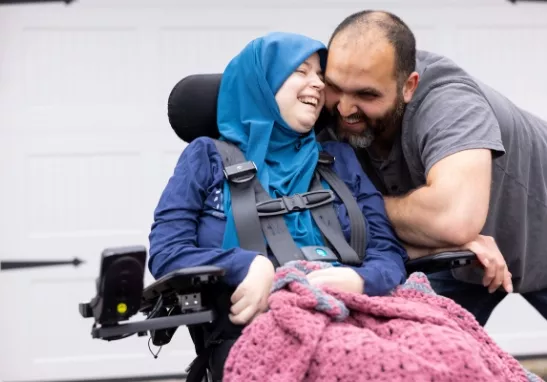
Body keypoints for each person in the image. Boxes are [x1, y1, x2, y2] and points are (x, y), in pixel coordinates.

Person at [148, 31, 408, 380]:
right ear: (261, 84)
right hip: (257, 330)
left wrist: (361, 280)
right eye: (301, 71)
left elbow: (388, 251)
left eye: (320, 75)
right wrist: (245, 265)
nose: (317, 84)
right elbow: (167, 252)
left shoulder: (341, 159)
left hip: (356, 313)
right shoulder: (207, 158)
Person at [319, 9, 547, 326]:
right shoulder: (316, 102)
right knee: (416, 351)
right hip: (464, 258)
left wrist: (355, 208)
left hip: (537, 231)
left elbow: (452, 219)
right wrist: (443, 235)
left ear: (409, 86)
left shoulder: (449, 104)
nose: (344, 108)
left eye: (366, 94)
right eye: (335, 87)